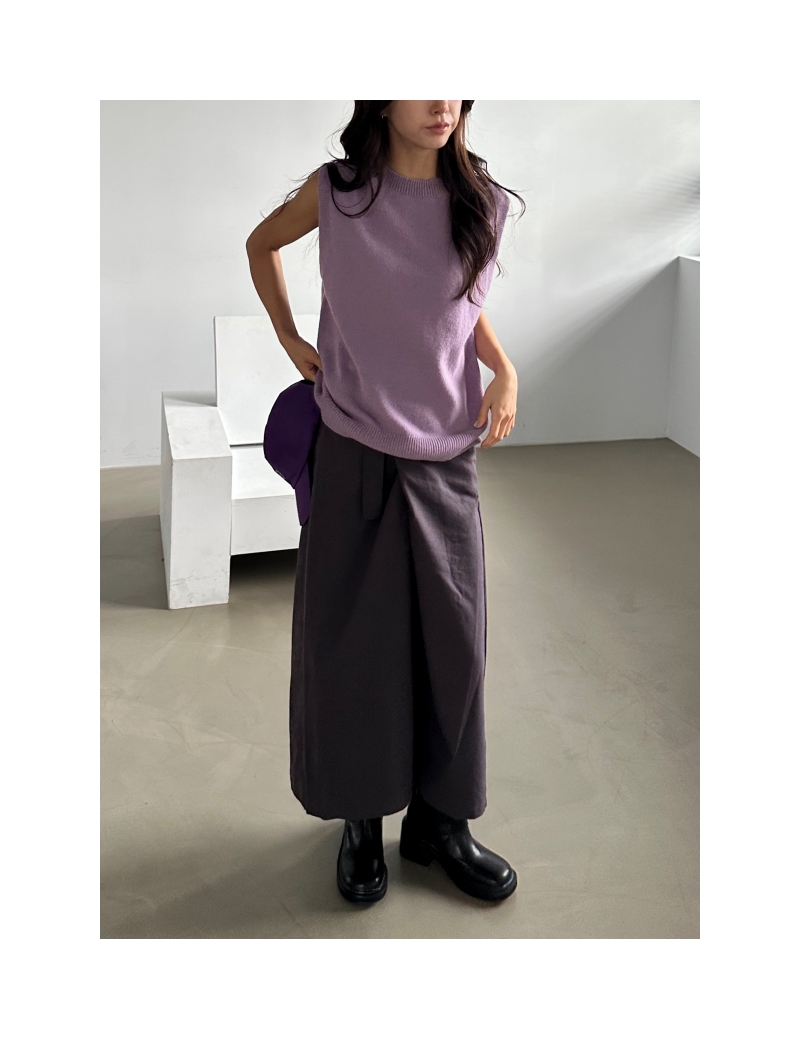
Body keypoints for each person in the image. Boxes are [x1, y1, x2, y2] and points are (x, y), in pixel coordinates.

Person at [246, 101, 524, 906]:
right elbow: (261, 244)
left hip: (446, 458)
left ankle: (441, 824)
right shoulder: (337, 192)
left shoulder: (482, 202)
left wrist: (504, 368)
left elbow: (459, 309)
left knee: (455, 650)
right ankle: (361, 820)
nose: (441, 102)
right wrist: (290, 337)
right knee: (354, 652)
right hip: (354, 450)